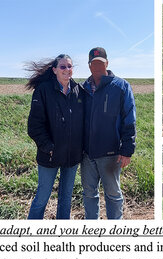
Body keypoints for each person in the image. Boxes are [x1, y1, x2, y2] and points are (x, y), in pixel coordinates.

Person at [81, 47, 136, 220]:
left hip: (110, 153)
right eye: (93, 64)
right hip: (87, 154)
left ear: (107, 63)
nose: (97, 67)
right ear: (89, 66)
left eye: (100, 63)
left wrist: (127, 150)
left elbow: (129, 119)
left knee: (113, 195)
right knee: (89, 194)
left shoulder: (120, 86)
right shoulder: (83, 89)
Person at [26, 54, 83, 219]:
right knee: (42, 197)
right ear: (55, 70)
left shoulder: (79, 91)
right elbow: (34, 126)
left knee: (65, 199)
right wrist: (49, 147)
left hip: (72, 156)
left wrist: (81, 148)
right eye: (63, 67)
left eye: (70, 66)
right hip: (49, 156)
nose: (67, 70)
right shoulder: (43, 91)